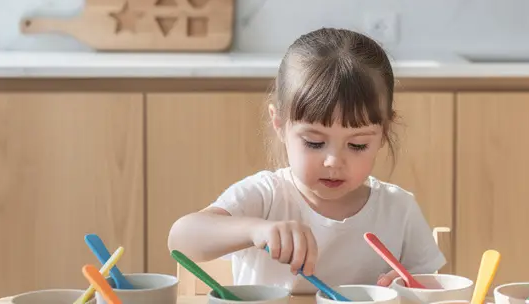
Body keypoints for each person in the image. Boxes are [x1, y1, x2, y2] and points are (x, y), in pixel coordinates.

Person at [167, 27, 446, 293]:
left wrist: (410, 286)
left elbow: (436, 289)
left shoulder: (399, 210)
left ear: (383, 133)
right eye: (314, 142)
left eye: (357, 145)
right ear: (279, 124)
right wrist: (255, 230)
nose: (333, 161)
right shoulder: (265, 197)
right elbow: (181, 239)